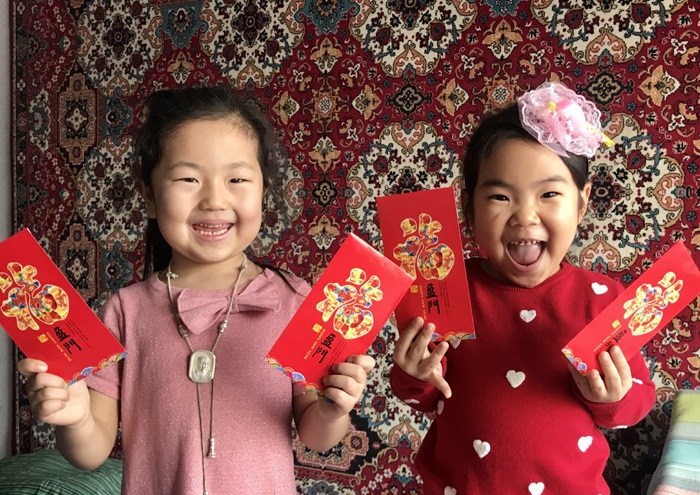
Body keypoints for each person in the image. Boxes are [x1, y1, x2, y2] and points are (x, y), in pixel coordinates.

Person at [19, 86, 375, 494]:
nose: (214, 199)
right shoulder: (126, 311)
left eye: (237, 178)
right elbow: (91, 452)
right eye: (189, 178)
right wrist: (76, 418)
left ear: (263, 191)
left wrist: (332, 409)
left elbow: (317, 436)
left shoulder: (293, 301)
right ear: (150, 195)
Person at [390, 81, 656, 495]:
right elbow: (421, 399)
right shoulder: (444, 289)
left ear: (582, 202)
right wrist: (414, 374)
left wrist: (612, 397)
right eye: (500, 197)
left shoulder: (602, 299)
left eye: (549, 193)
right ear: (469, 208)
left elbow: (635, 402)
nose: (525, 217)